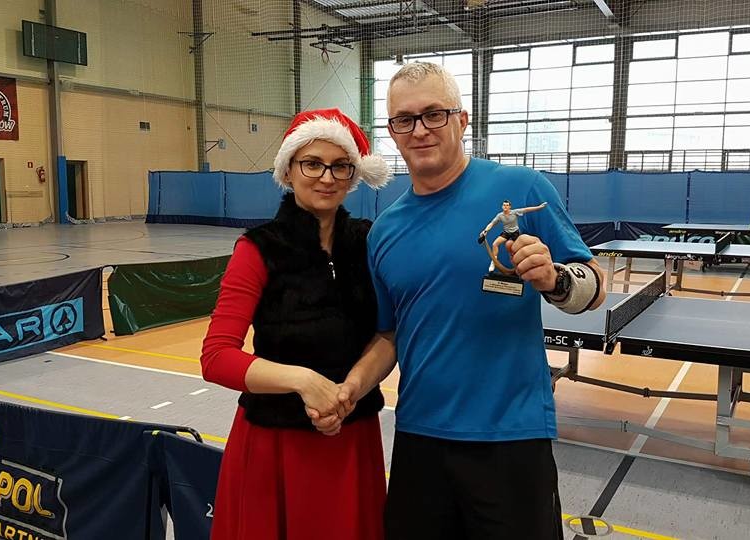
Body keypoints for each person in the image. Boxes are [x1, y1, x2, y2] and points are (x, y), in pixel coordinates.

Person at [318, 62, 607, 540]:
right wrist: (352, 387)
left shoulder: (523, 189)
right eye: (404, 119)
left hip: (510, 438)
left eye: (434, 114)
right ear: (392, 131)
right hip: (419, 440)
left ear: (462, 120)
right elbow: (390, 335)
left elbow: (594, 286)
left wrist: (554, 279)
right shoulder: (385, 230)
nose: (420, 130)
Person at [200, 108, 393, 540]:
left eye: (340, 166)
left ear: (353, 174)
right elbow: (216, 357)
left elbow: (388, 335)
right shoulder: (257, 249)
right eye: (312, 164)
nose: (327, 177)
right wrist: (304, 382)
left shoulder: (370, 242)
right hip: (275, 447)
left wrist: (349, 390)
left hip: (352, 437)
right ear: (288, 170)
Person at [479, 199, 549, 274]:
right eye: (504, 205)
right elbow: (492, 223)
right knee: (495, 244)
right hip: (506, 233)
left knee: (518, 249)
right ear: (502, 206)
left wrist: (539, 207)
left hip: (515, 233)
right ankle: (494, 262)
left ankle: (522, 265)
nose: (505, 207)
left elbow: (526, 209)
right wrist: (485, 230)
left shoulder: (515, 212)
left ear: (510, 207)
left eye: (507, 205)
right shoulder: (500, 215)